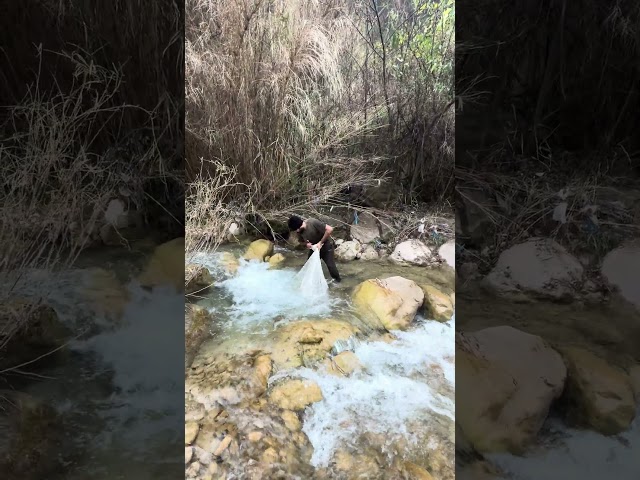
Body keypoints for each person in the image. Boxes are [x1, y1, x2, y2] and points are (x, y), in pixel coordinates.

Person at [288, 215, 341, 282]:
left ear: (300, 225)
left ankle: (338, 282)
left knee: (331, 266)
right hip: (314, 248)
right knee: (309, 266)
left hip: (326, 245)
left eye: (297, 229)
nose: (297, 231)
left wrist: (320, 242)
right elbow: (301, 242)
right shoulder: (299, 232)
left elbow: (330, 229)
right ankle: (313, 282)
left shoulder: (312, 222)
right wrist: (307, 244)